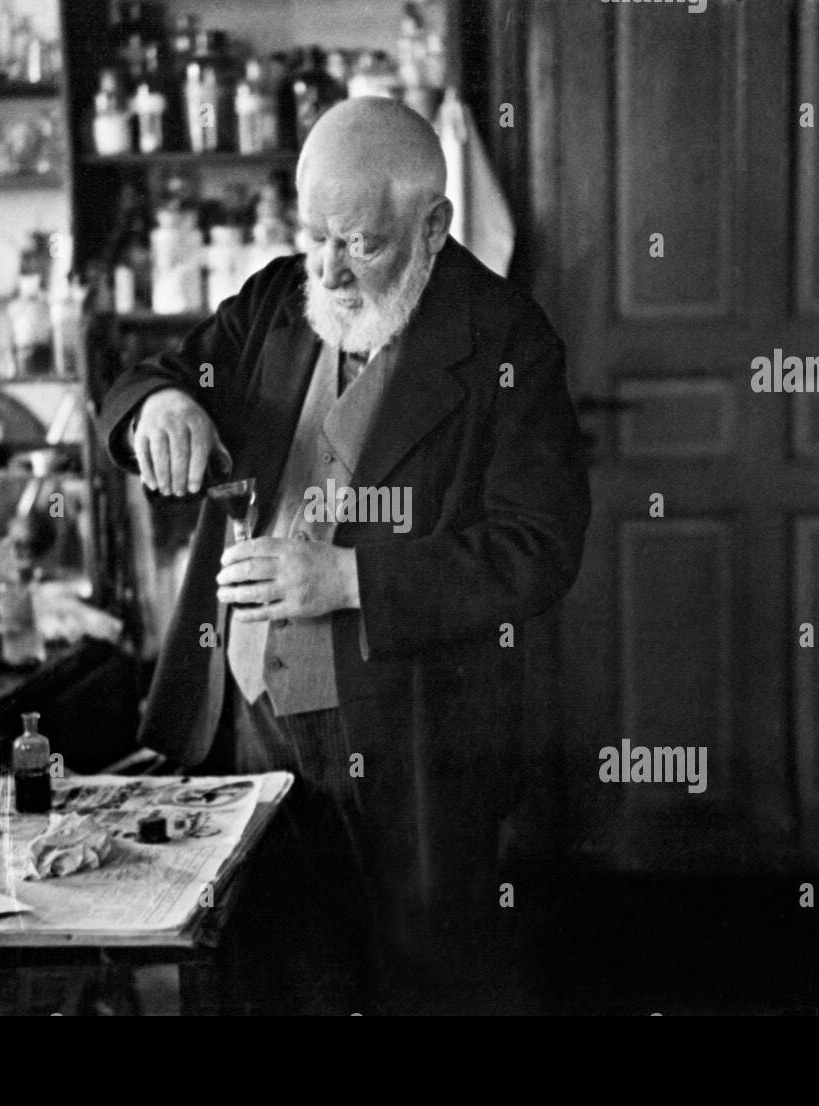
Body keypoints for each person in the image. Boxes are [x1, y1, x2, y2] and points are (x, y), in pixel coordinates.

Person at [101, 96, 591, 1013]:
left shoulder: (508, 343)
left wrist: (350, 579)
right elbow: (150, 379)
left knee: (415, 990)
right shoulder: (277, 303)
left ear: (435, 226)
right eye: (312, 233)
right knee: (262, 985)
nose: (326, 268)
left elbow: (540, 545)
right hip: (245, 728)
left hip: (411, 748)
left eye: (360, 243)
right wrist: (160, 409)